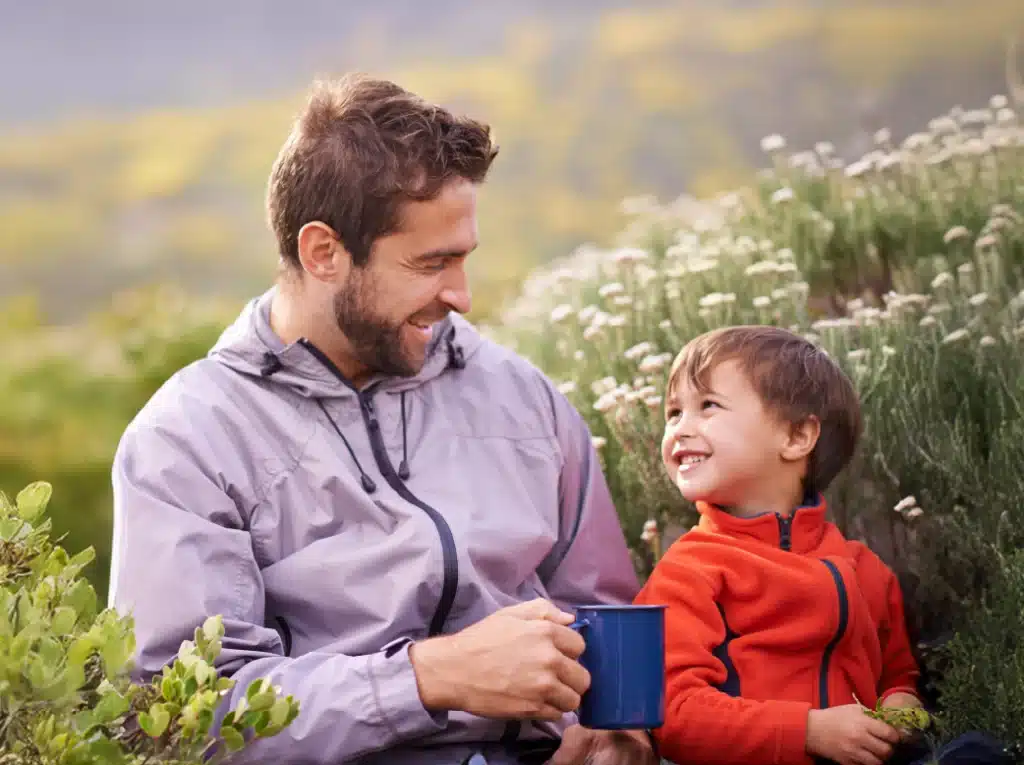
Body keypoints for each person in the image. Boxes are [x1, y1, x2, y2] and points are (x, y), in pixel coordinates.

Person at [106, 74, 657, 765]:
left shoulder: (523, 397)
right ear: (323, 253)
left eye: (464, 258)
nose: (460, 294)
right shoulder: (187, 440)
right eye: (432, 263)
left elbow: (602, 611)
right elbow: (186, 716)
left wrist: (616, 730)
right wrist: (427, 678)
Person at [632, 325, 1010, 765]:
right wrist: (807, 731)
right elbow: (674, 714)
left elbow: (897, 673)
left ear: (796, 437)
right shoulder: (688, 571)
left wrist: (900, 704)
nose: (680, 428)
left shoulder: (862, 568)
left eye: (708, 406)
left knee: (979, 753)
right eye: (674, 412)